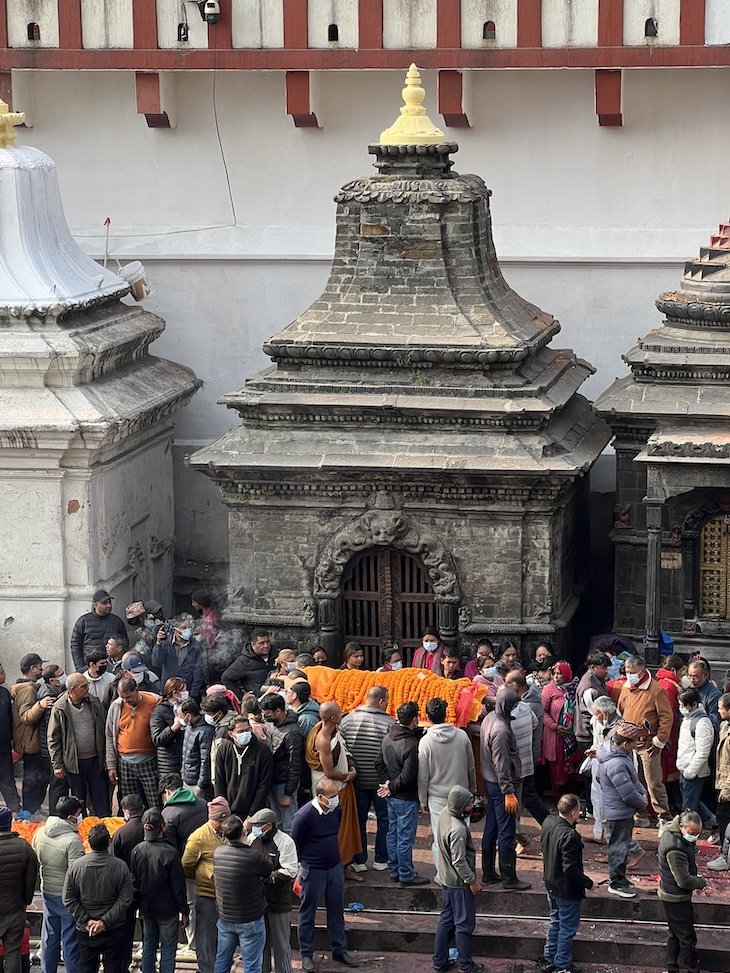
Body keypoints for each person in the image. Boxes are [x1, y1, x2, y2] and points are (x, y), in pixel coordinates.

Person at [291, 779, 359, 972]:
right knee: (307, 913)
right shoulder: (303, 816)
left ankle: (339, 949)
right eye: (332, 796)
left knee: (336, 911)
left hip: (335, 868)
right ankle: (306, 954)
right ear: (320, 797)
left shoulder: (336, 811)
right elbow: (295, 843)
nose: (337, 799)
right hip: (312, 870)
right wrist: (299, 871)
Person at [62, 823, 134, 973]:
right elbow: (125, 898)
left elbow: (68, 898)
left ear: (89, 842)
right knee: (114, 967)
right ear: (109, 842)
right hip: (114, 928)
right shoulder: (120, 866)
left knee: (87, 967)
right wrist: (104, 922)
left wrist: (87, 920)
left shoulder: (76, 867)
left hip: (86, 930)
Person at [418, 697, 475, 880]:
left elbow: (423, 776)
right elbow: (471, 766)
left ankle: (443, 875)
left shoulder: (426, 742)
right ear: (446, 714)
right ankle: (464, 873)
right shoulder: (462, 736)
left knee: (440, 837)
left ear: (428, 717)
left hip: (437, 797)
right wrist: (472, 789)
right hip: (462, 795)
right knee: (462, 835)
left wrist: (422, 799)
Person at [480, 688, 530, 891]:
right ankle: (509, 877)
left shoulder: (491, 718)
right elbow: (501, 765)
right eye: (515, 705)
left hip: (491, 782)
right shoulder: (500, 730)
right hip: (501, 786)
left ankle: (488, 873)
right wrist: (509, 792)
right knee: (506, 831)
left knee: (491, 827)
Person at [339, 685, 393, 874]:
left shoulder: (347, 721)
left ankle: (359, 860)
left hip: (356, 781)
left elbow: (343, 751)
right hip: (381, 783)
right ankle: (381, 859)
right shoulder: (389, 723)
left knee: (358, 820)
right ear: (381, 701)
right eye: (387, 701)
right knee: (384, 819)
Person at [432, 785, 485, 973]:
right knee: (464, 925)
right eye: (469, 804)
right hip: (459, 883)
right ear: (460, 806)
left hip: (446, 878)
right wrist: (472, 881)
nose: (472, 807)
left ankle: (439, 960)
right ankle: (466, 965)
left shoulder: (444, 814)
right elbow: (459, 861)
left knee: (446, 920)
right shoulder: (458, 830)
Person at [538, 793, 593, 973]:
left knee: (555, 921)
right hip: (566, 889)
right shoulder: (570, 836)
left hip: (551, 883)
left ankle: (549, 957)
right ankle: (562, 964)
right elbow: (570, 868)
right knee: (567, 927)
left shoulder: (548, 822)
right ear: (574, 812)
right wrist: (588, 883)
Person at [306, 701, 362, 877]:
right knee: (339, 830)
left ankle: (343, 866)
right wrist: (348, 776)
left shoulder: (329, 729)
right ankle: (339, 868)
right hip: (333, 788)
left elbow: (342, 752)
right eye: (339, 713)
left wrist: (351, 768)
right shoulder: (323, 739)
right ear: (332, 718)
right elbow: (329, 771)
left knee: (345, 828)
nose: (342, 714)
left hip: (341, 784)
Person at [130, 809, 189, 973]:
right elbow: (178, 886)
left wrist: (137, 906)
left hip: (147, 908)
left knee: (149, 944)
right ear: (162, 827)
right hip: (168, 911)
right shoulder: (170, 853)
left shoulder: (137, 850)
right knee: (168, 947)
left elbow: (134, 882)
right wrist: (184, 910)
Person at [212, 814, 273, 973]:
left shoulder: (218, 853)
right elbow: (268, 868)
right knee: (252, 965)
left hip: (225, 917)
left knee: (222, 960)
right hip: (250, 919)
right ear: (243, 832)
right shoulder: (253, 855)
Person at [618, 655, 674, 826]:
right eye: (627, 672)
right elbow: (621, 709)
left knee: (653, 782)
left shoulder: (656, 690)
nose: (630, 675)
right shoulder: (626, 687)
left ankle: (664, 816)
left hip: (648, 744)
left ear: (642, 671)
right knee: (635, 780)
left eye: (633, 672)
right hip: (629, 743)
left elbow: (666, 717)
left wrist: (659, 740)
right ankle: (641, 813)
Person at [376, 700, 427, 885]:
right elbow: (407, 776)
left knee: (392, 833)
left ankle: (394, 869)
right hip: (405, 797)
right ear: (414, 719)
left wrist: (387, 783)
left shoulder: (388, 737)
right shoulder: (411, 744)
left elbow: (378, 762)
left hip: (391, 796)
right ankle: (406, 873)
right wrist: (390, 786)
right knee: (405, 837)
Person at [32, 796, 84, 973]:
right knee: (70, 940)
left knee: (49, 936)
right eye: (78, 814)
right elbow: (76, 874)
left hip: (47, 890)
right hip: (66, 896)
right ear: (70, 817)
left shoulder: (40, 832)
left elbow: (35, 857)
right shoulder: (72, 841)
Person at [597, 720, 648, 898]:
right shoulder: (616, 763)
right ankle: (616, 882)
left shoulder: (618, 757)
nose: (636, 745)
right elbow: (627, 793)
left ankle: (619, 878)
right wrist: (641, 801)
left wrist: (642, 793)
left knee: (621, 846)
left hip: (619, 811)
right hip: (618, 812)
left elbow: (633, 782)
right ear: (625, 744)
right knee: (618, 848)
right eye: (634, 742)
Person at [48, 673, 110, 817]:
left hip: (95, 760)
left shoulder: (94, 702)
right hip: (74, 763)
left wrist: (106, 757)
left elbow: (104, 730)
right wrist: (57, 764)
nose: (88, 688)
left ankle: (104, 823)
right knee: (78, 798)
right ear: (72, 690)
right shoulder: (60, 708)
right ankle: (81, 825)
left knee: (100, 797)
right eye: (83, 686)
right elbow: (53, 738)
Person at [245, 807, 298, 973]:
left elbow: (290, 870)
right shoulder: (252, 839)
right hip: (258, 901)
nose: (254, 828)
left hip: (278, 901)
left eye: (257, 825)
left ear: (268, 826)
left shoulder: (285, 842)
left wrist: (267, 877)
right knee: (260, 944)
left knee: (281, 945)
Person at [181, 797, 230, 973]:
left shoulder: (231, 830)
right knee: (207, 940)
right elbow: (187, 864)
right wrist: (204, 877)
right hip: (207, 896)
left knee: (224, 939)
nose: (224, 825)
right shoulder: (198, 838)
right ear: (212, 819)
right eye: (220, 821)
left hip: (228, 897)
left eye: (226, 820)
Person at [499, 675, 547, 850]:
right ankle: (516, 838)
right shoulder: (526, 708)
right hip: (526, 763)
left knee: (508, 805)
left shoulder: (507, 721)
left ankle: (519, 837)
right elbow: (534, 724)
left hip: (513, 767)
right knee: (517, 802)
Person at [657, 810, 706, 973]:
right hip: (675, 897)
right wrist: (700, 882)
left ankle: (671, 966)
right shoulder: (675, 848)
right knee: (687, 937)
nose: (695, 837)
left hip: (671, 892)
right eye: (692, 833)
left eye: (698, 833)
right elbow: (683, 880)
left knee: (675, 934)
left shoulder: (675, 836)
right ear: (682, 827)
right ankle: (690, 968)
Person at [105, 676, 160, 809]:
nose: (126, 701)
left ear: (136, 690)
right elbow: (109, 735)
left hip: (149, 761)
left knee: (155, 802)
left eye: (128, 697)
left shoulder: (154, 703)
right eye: (122, 697)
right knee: (130, 805)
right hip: (125, 763)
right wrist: (111, 765)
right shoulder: (116, 706)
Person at [11, 653, 53, 815]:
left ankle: (34, 809)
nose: (42, 670)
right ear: (33, 668)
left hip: (34, 743)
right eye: (40, 667)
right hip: (31, 744)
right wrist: (40, 706)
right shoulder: (28, 690)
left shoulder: (31, 687)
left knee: (39, 780)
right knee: (33, 781)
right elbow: (26, 717)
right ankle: (29, 811)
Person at [0, 805, 38, 973]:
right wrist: (25, 901)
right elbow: (31, 880)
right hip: (15, 908)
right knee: (13, 952)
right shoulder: (24, 847)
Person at [214, 714, 274, 819]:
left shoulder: (262, 751)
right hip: (229, 811)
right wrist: (223, 809)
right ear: (231, 734)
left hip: (254, 812)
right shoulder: (224, 749)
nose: (245, 734)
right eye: (240, 732)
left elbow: (264, 785)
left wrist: (252, 815)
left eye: (248, 730)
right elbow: (219, 781)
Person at [676, 687, 718, 834]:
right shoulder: (688, 718)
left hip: (694, 772)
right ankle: (715, 824)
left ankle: (688, 836)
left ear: (694, 704)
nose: (681, 708)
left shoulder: (702, 723)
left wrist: (690, 772)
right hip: (685, 769)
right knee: (693, 802)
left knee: (689, 809)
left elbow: (702, 752)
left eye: (683, 705)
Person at [259, 693, 303, 834]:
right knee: (277, 823)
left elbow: (295, 765)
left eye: (268, 713)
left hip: (284, 784)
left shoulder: (292, 733)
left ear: (278, 711)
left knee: (289, 825)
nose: (265, 716)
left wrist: (288, 794)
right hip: (273, 781)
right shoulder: (274, 725)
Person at [584, 695, 620, 846]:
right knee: (596, 798)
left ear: (605, 713)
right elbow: (597, 742)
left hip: (611, 767)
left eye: (597, 714)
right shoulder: (598, 721)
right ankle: (598, 833)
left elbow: (615, 751)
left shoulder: (618, 727)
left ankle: (610, 835)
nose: (595, 717)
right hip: (597, 762)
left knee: (609, 801)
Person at [541, 661, 580, 798]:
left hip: (572, 736)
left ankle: (573, 799)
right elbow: (542, 712)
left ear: (567, 674)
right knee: (558, 768)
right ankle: (559, 798)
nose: (556, 677)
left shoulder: (576, 688)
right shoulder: (549, 689)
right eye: (554, 673)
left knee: (573, 770)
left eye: (560, 673)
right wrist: (555, 727)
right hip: (556, 736)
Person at [36, 665, 69, 816]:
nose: (64, 676)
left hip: (51, 748)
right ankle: (55, 815)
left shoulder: (55, 691)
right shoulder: (50, 697)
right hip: (53, 749)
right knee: (57, 784)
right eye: (61, 674)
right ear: (52, 680)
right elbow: (54, 728)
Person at [70, 590, 128, 673]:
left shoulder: (117, 622)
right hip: (89, 666)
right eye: (105, 603)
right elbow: (75, 645)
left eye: (110, 602)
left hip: (112, 667)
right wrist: (80, 667)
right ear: (95, 605)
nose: (109, 605)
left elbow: (124, 644)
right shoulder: (83, 621)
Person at [153, 620, 205, 702]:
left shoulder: (196, 647)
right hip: (168, 692)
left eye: (188, 627)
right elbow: (156, 663)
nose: (187, 630)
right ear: (175, 629)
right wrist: (158, 643)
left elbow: (198, 672)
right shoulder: (166, 643)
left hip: (187, 692)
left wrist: (192, 695)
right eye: (183, 628)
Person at [708, 692, 730, 871]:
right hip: (722, 780)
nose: (719, 711)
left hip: (727, 784)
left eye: (721, 708)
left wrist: (727, 788)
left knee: (724, 817)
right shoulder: (725, 726)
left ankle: (726, 855)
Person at [150, 678, 187, 780]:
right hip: (168, 763)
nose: (186, 693)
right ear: (175, 693)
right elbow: (157, 739)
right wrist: (173, 728)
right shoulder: (160, 711)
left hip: (185, 760)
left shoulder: (186, 706)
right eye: (184, 691)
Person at [574, 652, 610, 751]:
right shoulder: (588, 685)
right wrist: (595, 731)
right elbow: (586, 713)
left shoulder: (598, 679)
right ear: (593, 667)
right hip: (588, 735)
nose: (606, 670)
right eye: (603, 667)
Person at [221, 631, 273, 698]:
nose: (266, 646)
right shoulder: (244, 661)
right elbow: (226, 679)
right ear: (253, 645)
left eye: (267, 642)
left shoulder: (276, 655)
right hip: (258, 700)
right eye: (261, 643)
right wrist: (241, 695)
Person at [180, 700, 215, 797]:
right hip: (186, 779)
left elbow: (205, 760)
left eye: (180, 716)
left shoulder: (205, 731)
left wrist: (201, 784)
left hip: (197, 783)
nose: (179, 719)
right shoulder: (189, 727)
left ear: (188, 716)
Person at [0, 660, 21, 813]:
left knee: (7, 779)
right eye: (1, 673)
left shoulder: (4, 693)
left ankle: (15, 810)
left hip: (4, 746)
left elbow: (10, 719)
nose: (4, 675)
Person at [686, 659, 721, 733]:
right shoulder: (689, 690)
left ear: (705, 675)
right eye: (689, 676)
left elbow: (715, 722)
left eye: (695, 676)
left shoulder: (714, 695)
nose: (692, 680)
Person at [110, 793, 145, 865]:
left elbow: (112, 857)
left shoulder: (120, 833)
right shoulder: (152, 827)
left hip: (126, 869)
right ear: (143, 807)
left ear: (127, 812)